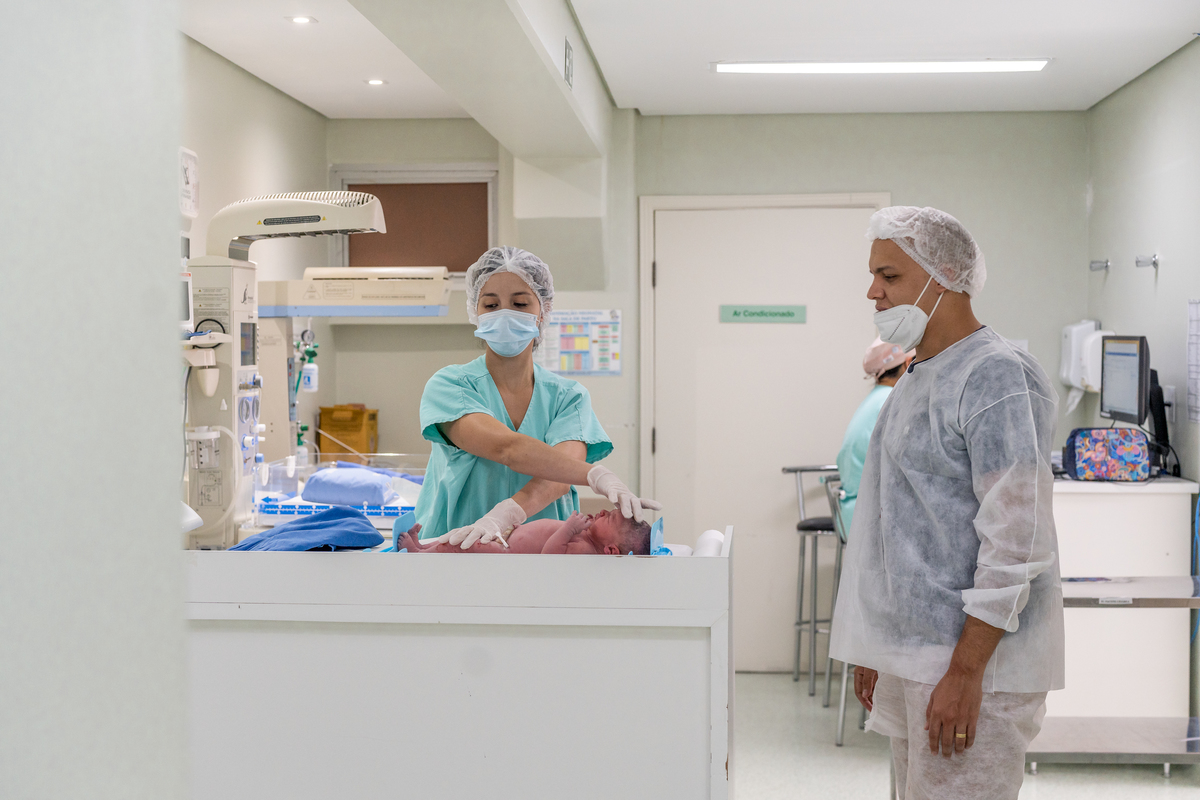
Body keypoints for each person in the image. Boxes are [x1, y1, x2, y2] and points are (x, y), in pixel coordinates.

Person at [829, 207, 1064, 799]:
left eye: (889, 276)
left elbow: (1016, 541)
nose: (873, 292)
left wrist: (965, 671)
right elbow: (893, 523)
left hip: (975, 666)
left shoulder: (997, 377)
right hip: (916, 655)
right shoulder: (919, 375)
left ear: (947, 275)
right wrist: (875, 643)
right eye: (874, 275)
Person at [415, 246, 659, 548]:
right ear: (475, 312)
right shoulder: (450, 385)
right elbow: (507, 449)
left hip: (546, 555)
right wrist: (596, 475)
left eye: (520, 303)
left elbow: (558, 477)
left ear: (543, 310)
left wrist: (503, 516)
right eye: (491, 305)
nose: (505, 314)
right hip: (453, 547)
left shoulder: (568, 398)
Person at [834, 338, 912, 534]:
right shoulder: (890, 401)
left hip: (855, 513)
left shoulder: (876, 399)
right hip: (872, 517)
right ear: (907, 364)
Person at [397, 509, 650, 555]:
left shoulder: (586, 551)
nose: (603, 511)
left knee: (463, 545)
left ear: (611, 550)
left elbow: (550, 555)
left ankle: (419, 554)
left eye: (610, 518)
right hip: (507, 538)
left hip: (505, 553)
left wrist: (568, 529)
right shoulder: (587, 537)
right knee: (461, 537)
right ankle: (424, 547)